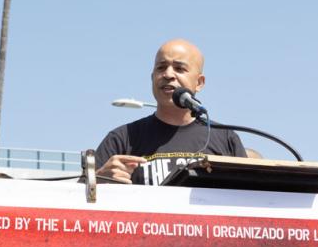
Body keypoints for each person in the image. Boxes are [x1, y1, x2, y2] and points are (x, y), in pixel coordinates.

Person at [95, 39, 247, 185]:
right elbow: (81, 196)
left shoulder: (226, 138)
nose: (168, 74)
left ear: (199, 83)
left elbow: (250, 196)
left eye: (179, 68)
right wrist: (100, 179)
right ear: (152, 77)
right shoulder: (122, 138)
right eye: (161, 68)